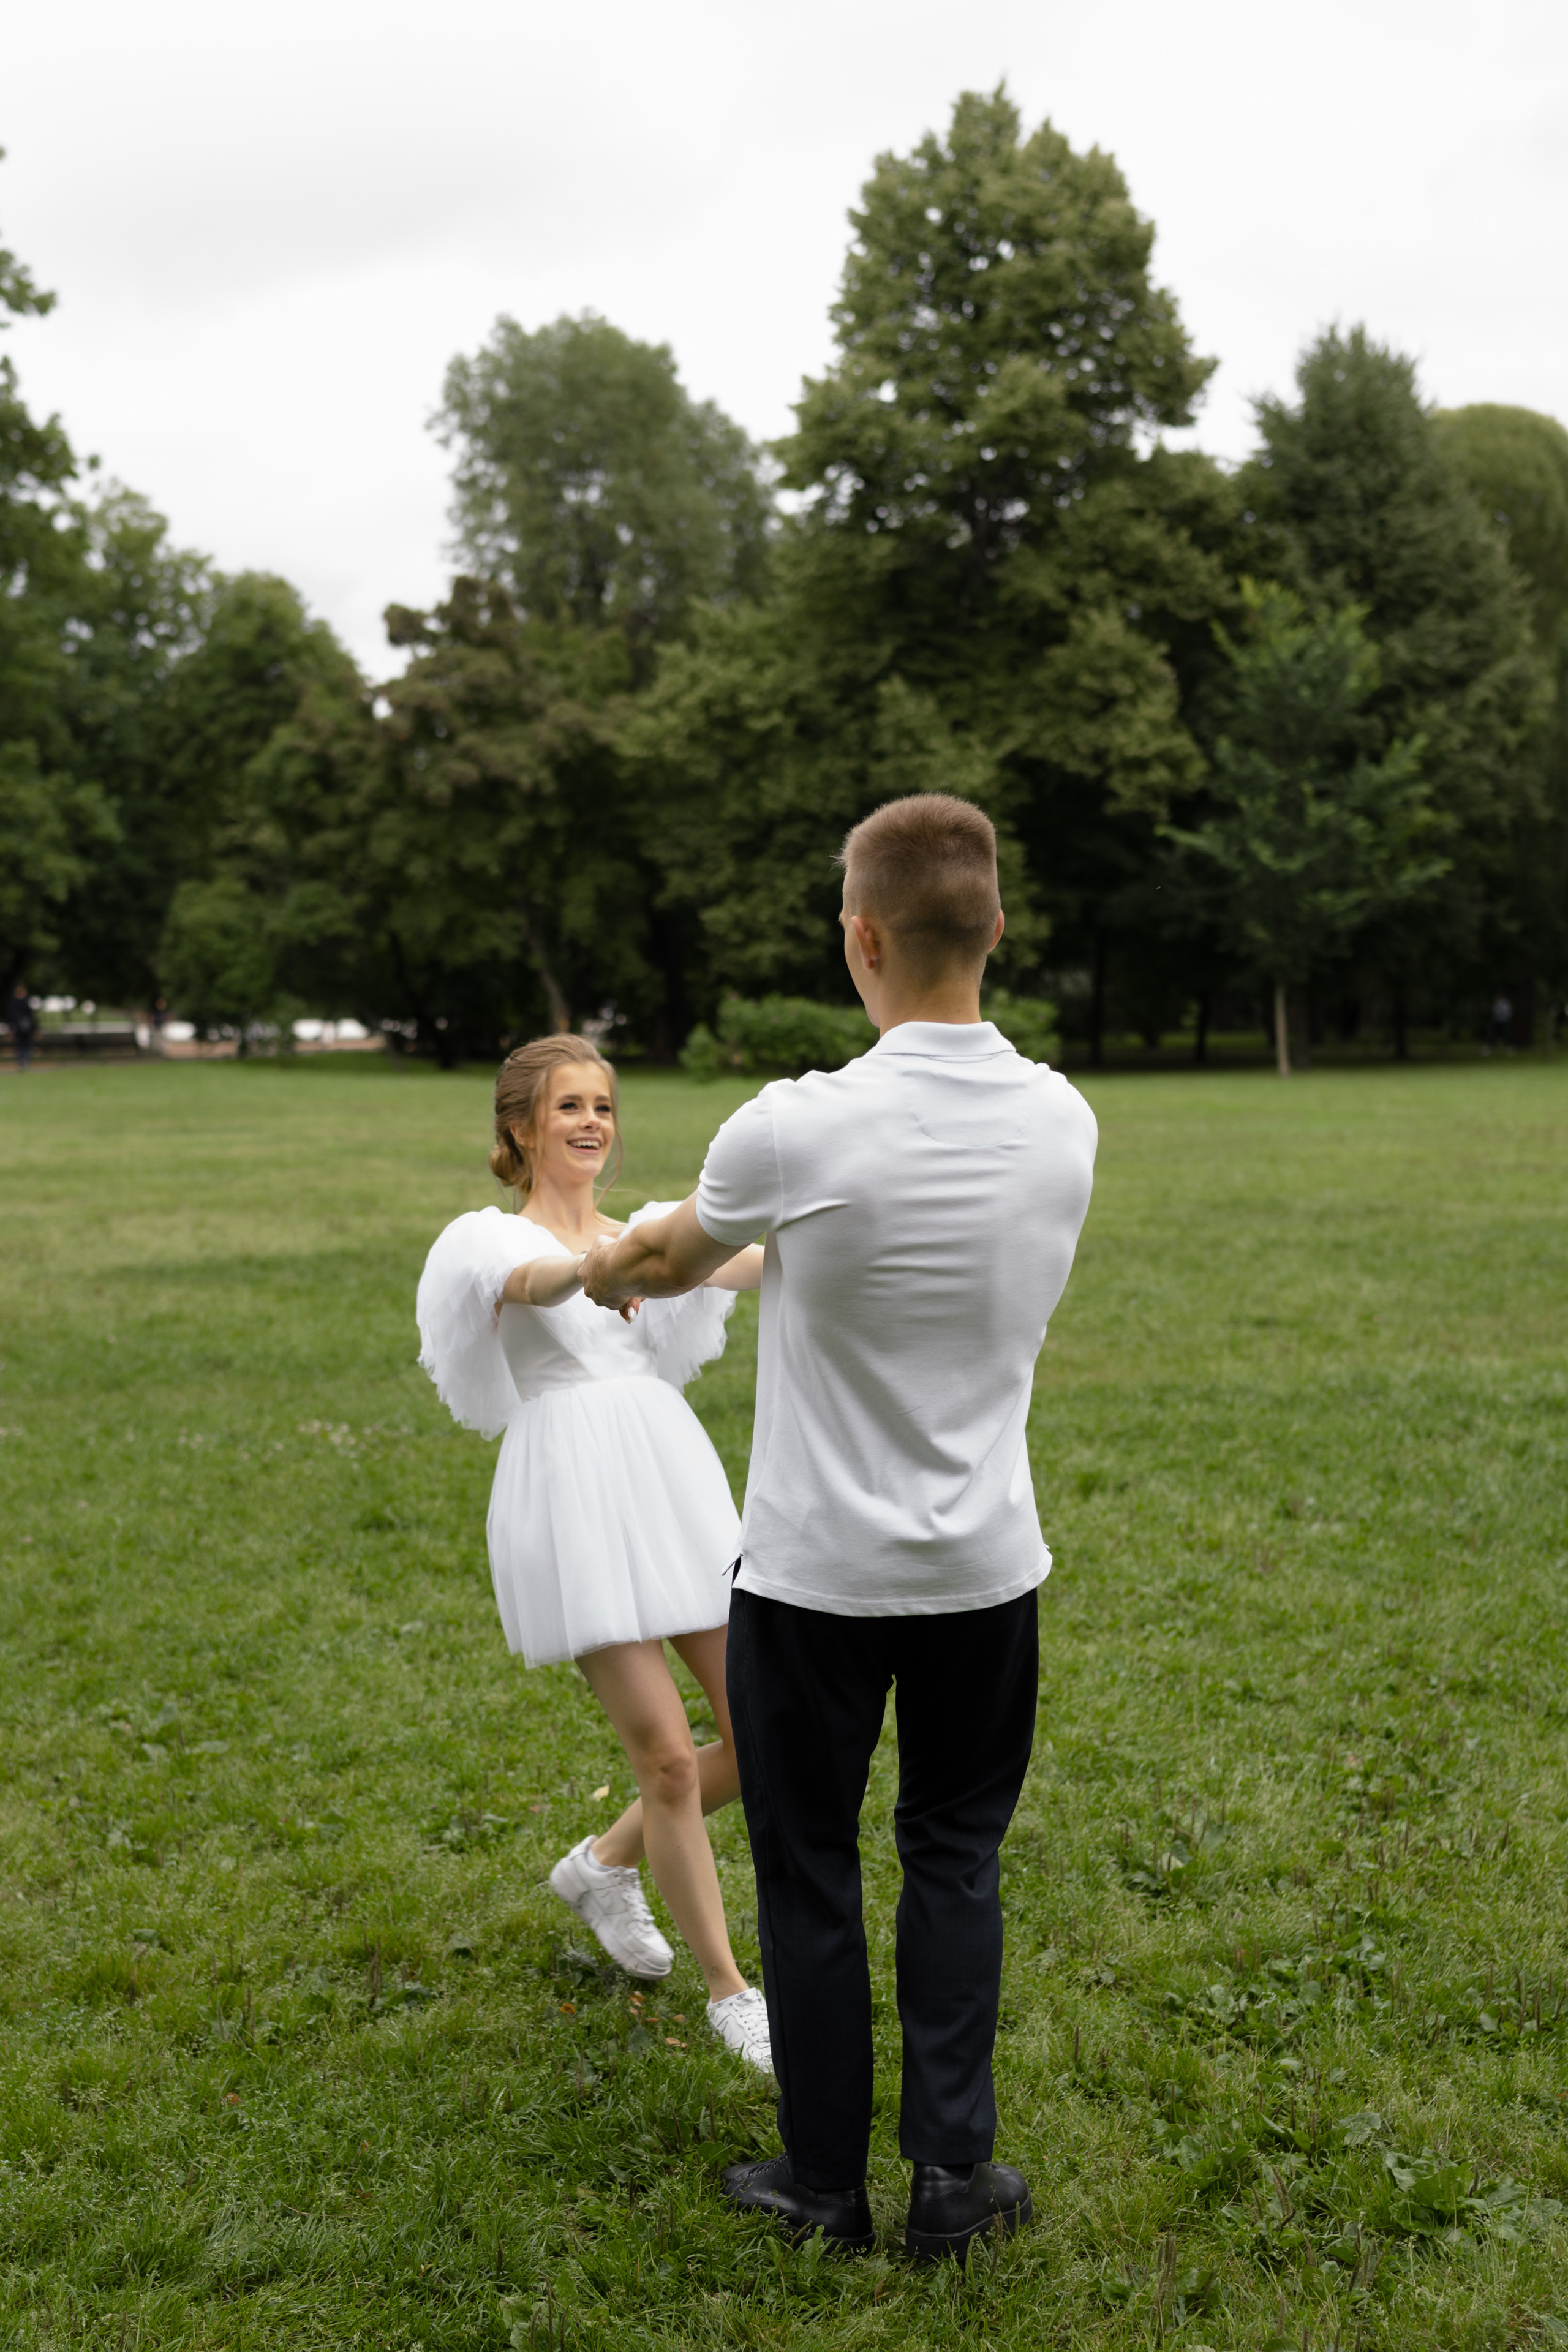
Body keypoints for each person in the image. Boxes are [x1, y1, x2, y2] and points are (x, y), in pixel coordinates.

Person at [582, 794, 1098, 2260]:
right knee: (953, 1856)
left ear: (858, 937)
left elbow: (668, 1254)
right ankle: (952, 2179)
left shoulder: (794, 1122)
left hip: (811, 1580)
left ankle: (823, 2183)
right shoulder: (1064, 1117)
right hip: (984, 1572)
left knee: (808, 1869)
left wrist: (599, 1256)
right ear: (992, 927)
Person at [416, 1035, 771, 2070]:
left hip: (671, 1480)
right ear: (521, 1127)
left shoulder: (650, 1232)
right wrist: (603, 1267)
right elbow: (536, 1283)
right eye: (569, 1106)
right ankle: (728, 1990)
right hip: (570, 1489)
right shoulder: (481, 1238)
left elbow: (750, 1259)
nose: (590, 1124)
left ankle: (604, 1864)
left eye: (605, 1107)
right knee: (665, 1754)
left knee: (762, 1732)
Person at [5, 982, 37, 1072]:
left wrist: (35, 1029)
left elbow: (32, 1017)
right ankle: (22, 1061)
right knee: (20, 1045)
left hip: (28, 1029)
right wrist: (11, 1029)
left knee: (28, 1045)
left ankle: (25, 1061)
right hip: (18, 1029)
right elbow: (10, 1018)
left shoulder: (27, 1002)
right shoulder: (13, 1003)